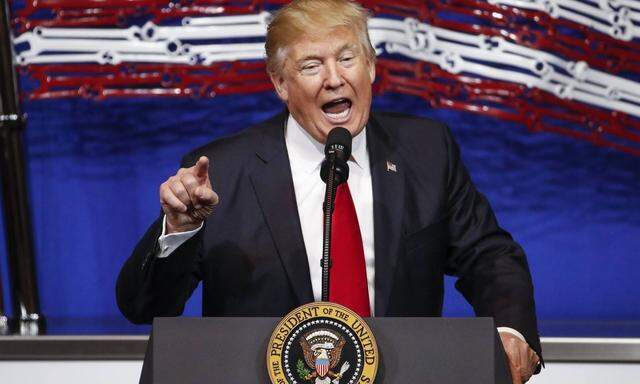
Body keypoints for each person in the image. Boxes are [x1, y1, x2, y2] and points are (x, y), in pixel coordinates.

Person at [116, 0, 542, 382]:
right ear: (281, 83)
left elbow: (489, 255)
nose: (334, 79)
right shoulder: (222, 172)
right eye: (311, 66)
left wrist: (510, 329)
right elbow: (142, 305)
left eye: (347, 58)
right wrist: (180, 229)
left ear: (371, 66)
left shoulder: (426, 152)